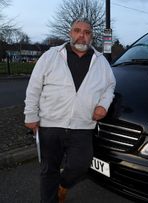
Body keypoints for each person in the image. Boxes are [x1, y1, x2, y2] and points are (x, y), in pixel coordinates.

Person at [24, 18, 116, 203]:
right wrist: (30, 114)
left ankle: (63, 185)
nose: (82, 35)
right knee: (49, 169)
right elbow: (34, 86)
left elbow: (110, 86)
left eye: (87, 32)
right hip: (50, 124)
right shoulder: (51, 56)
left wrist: (103, 105)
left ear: (91, 36)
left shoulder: (101, 62)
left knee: (81, 165)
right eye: (77, 30)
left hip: (83, 124)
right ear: (70, 33)